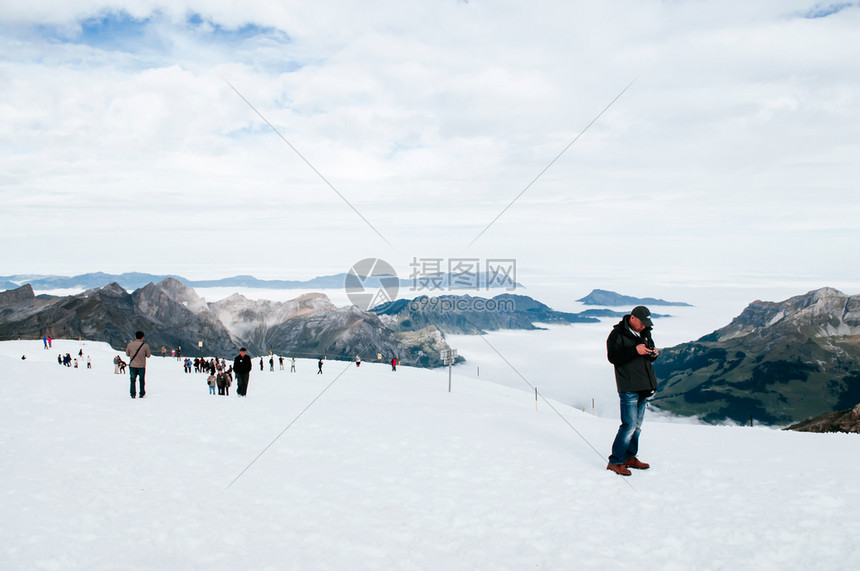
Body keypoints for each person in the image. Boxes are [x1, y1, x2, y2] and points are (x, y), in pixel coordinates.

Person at [606, 306, 658, 476]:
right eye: (642, 323)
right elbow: (613, 358)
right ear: (633, 318)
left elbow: (647, 352)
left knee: (637, 427)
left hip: (644, 385)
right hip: (628, 385)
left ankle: (629, 457)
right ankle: (615, 462)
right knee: (628, 425)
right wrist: (635, 351)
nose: (645, 326)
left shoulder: (645, 332)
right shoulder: (617, 334)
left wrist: (653, 354)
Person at [126, 331, 152, 399]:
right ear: (142, 338)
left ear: (135, 337)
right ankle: (142, 393)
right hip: (141, 365)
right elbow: (148, 355)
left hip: (132, 365)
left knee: (132, 380)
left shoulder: (130, 345)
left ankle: (133, 394)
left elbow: (127, 354)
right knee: (142, 380)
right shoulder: (145, 345)